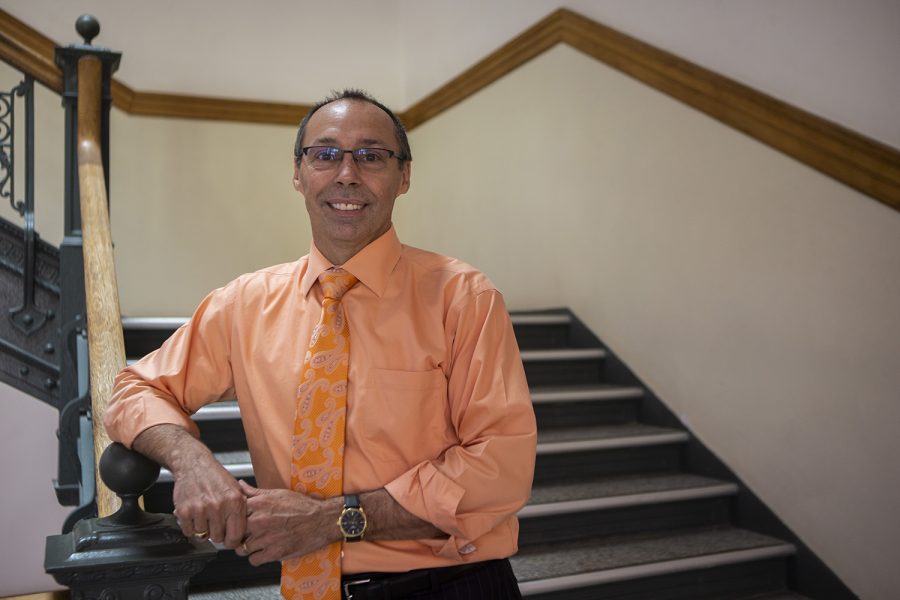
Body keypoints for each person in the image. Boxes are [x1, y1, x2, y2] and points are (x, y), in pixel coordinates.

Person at [104, 89, 537, 600]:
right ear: (298, 173)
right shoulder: (243, 303)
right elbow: (135, 388)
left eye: (371, 155)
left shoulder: (463, 297)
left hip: (451, 586)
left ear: (405, 177)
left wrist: (334, 519)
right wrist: (192, 461)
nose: (347, 174)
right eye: (324, 154)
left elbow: (500, 467)